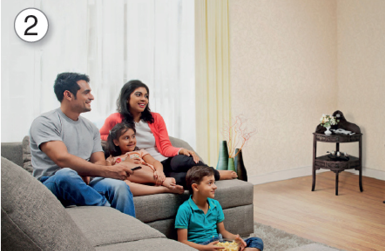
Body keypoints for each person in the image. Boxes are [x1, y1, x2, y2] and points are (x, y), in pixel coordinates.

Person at [29, 72, 136, 217]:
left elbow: (99, 161)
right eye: (86, 93)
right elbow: (62, 159)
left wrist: (90, 173)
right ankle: (109, 214)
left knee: (120, 187)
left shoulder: (90, 127)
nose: (91, 97)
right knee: (66, 174)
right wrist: (105, 171)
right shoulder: (45, 122)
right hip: (52, 183)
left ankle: (129, 234)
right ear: (68, 95)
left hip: (84, 181)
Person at [100, 80, 237, 188]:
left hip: (163, 159)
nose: (144, 99)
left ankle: (215, 173)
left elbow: (165, 146)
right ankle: (215, 175)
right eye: (138, 94)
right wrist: (117, 147)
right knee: (182, 179)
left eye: (146, 96)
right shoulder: (115, 119)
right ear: (126, 98)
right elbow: (102, 137)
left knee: (185, 160)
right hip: (147, 167)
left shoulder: (155, 118)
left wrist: (181, 150)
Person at [175, 166, 263, 251]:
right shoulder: (184, 209)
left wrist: (236, 239)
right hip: (201, 249)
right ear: (195, 187)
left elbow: (223, 232)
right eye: (209, 183)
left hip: (219, 244)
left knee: (256, 241)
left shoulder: (215, 205)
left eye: (214, 182)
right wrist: (206, 248)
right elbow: (182, 242)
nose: (215, 186)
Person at [106, 122, 184, 196]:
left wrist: (160, 172)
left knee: (124, 167)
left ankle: (163, 181)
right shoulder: (111, 159)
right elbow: (109, 174)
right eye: (126, 138)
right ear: (116, 142)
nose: (131, 140)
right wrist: (123, 164)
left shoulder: (139, 152)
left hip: (149, 174)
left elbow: (155, 162)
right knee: (123, 184)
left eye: (133, 136)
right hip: (137, 183)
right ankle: (163, 189)